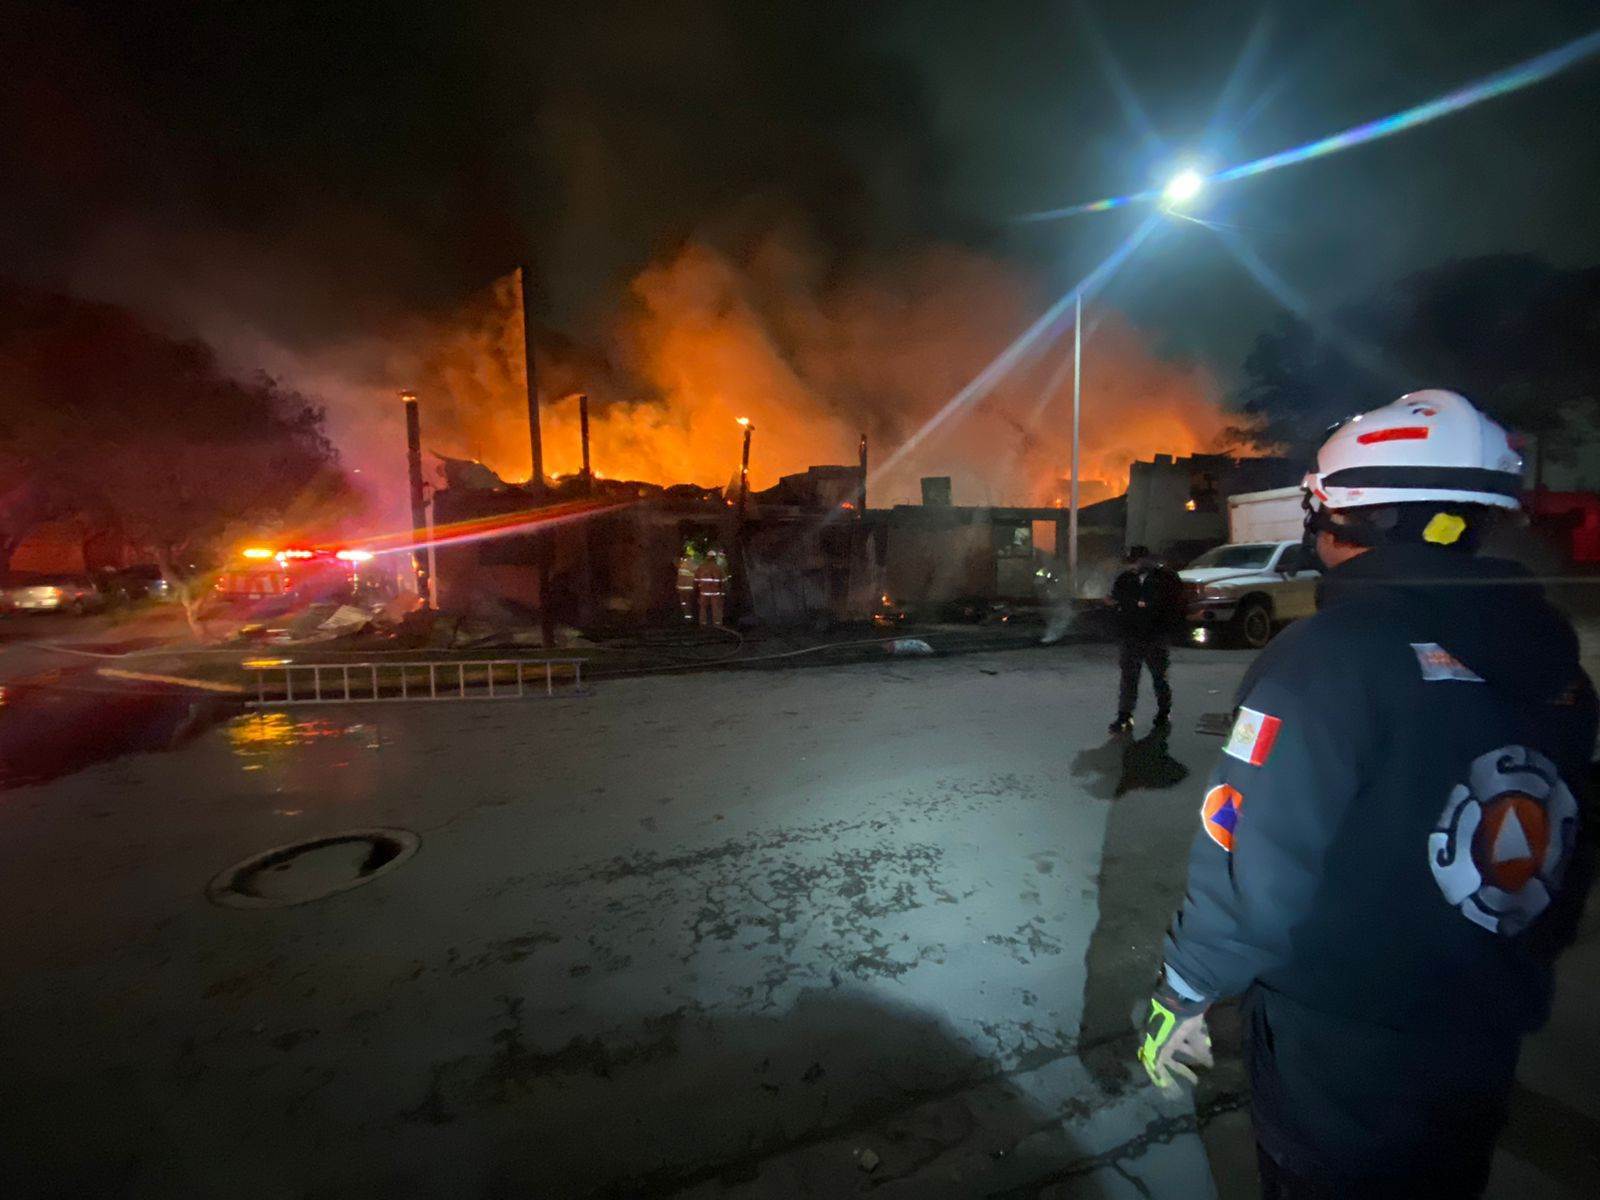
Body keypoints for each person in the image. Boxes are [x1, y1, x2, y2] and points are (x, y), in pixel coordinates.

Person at [1136, 390, 1597, 1198]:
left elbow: (1250, 861)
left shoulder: (1326, 658)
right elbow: (1564, 855)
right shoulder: (1557, 661)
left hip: (1342, 1062)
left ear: (1346, 516)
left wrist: (1186, 987)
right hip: (1485, 1034)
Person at [1108, 545, 1185, 733]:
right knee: (1129, 678)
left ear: (1147, 560)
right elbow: (1116, 600)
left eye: (1137, 561)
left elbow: (1176, 605)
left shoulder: (1166, 578)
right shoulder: (1126, 579)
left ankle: (1164, 711)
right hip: (1131, 635)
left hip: (1155, 635)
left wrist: (1166, 627)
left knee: (1159, 676)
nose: (1134, 565)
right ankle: (1124, 716)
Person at [695, 546, 728, 627]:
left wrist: (696, 591)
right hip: (715, 592)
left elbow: (695, 580)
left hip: (704, 592)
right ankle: (717, 624)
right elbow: (724, 581)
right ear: (714, 558)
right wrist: (724, 591)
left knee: (703, 608)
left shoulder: (701, 567)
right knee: (716, 608)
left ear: (707, 557)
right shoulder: (718, 568)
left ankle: (703, 624)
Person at [675, 540, 701, 622]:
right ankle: (689, 618)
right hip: (689, 587)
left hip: (680, 587)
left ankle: (685, 616)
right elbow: (698, 571)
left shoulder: (682, 563)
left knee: (684, 603)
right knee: (689, 603)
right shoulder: (692, 563)